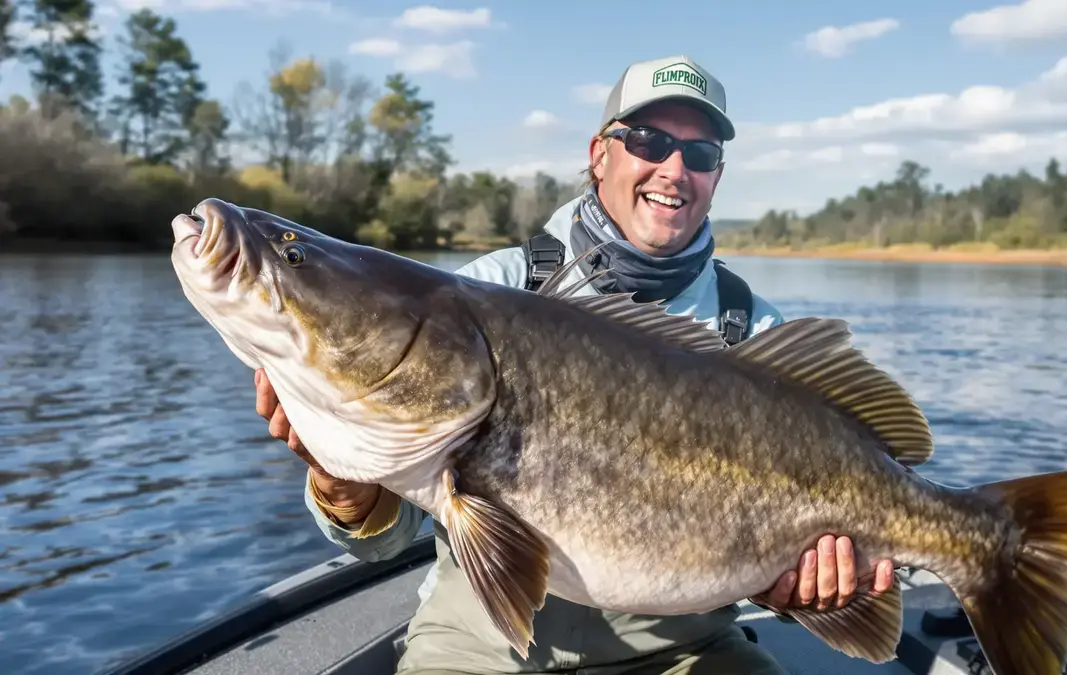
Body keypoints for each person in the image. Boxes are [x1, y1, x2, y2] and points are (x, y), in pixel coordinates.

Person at [254, 54, 895, 674]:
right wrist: (341, 485)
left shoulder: (753, 334)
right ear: (599, 155)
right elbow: (387, 544)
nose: (673, 169)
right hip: (482, 644)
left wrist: (799, 594)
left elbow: (772, 575)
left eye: (698, 154)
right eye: (647, 140)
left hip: (683, 649)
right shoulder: (486, 291)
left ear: (716, 178)